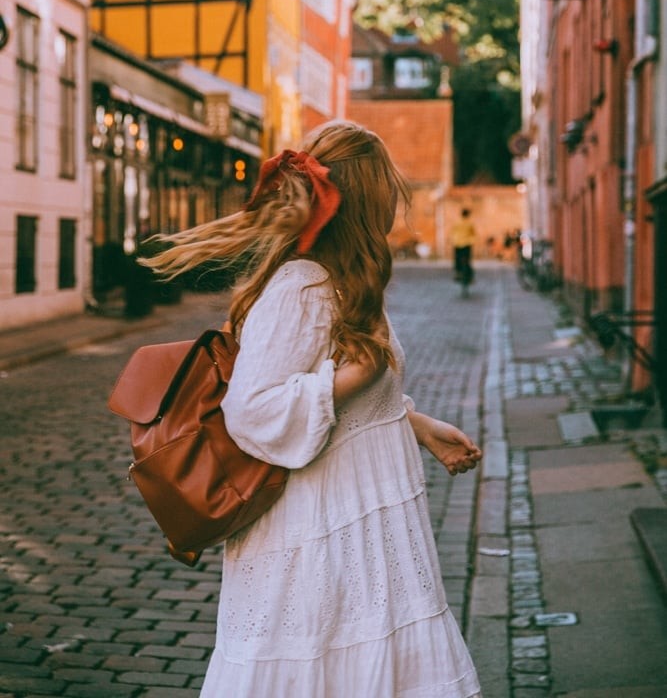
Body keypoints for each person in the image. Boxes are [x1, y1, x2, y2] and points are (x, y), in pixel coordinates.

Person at [144, 120, 482, 697]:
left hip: (361, 531)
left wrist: (419, 426)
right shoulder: (302, 286)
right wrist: (350, 377)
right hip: (318, 538)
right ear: (363, 203)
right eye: (385, 195)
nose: (392, 211)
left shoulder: (344, 283)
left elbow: (348, 399)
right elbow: (251, 412)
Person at [451, 207, 477, 286]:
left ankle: (458, 273)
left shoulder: (457, 223)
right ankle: (470, 276)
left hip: (457, 244)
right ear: (468, 215)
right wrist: (472, 241)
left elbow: (453, 233)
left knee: (457, 259)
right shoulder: (470, 223)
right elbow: (474, 234)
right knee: (467, 260)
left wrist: (454, 240)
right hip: (467, 244)